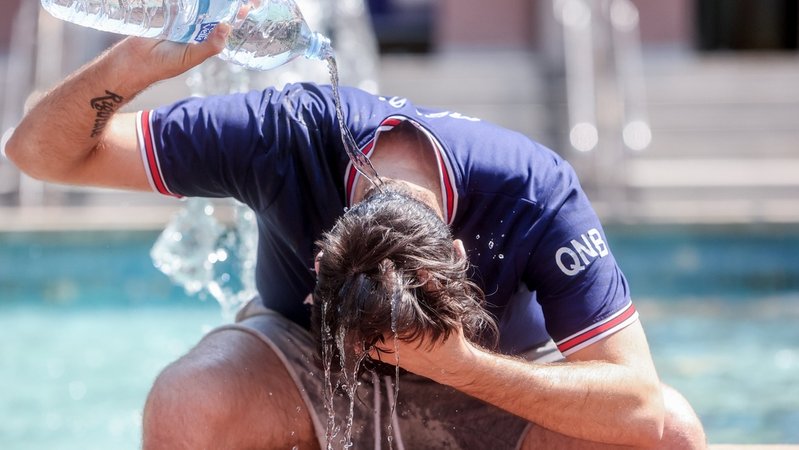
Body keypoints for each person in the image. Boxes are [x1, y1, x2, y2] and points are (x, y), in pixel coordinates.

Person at [7, 24, 706, 449]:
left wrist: (462, 365)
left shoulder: (532, 189)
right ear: (323, 259)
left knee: (672, 435)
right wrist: (128, 70)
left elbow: (641, 406)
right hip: (301, 363)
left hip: (492, 379)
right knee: (189, 401)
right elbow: (38, 154)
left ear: (458, 258)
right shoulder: (277, 135)